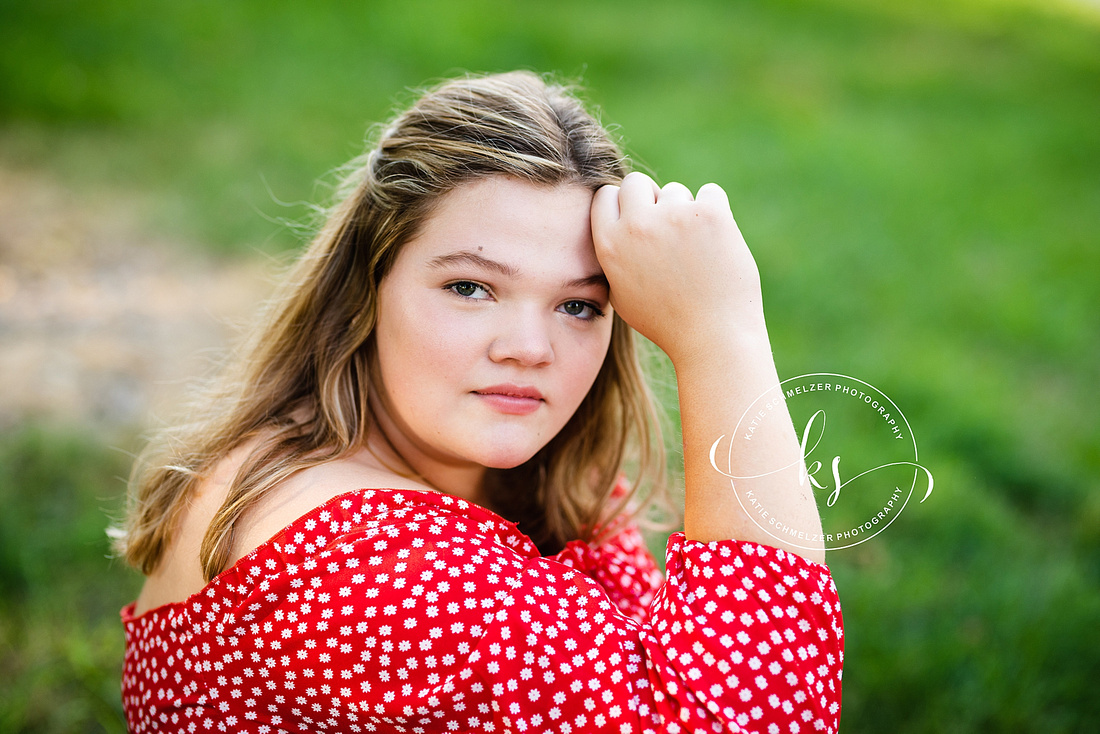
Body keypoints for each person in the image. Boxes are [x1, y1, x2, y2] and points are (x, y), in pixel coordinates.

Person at [115, 70, 842, 734]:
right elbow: (761, 715)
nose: (529, 347)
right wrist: (722, 337)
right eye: (470, 287)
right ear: (366, 289)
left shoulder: (500, 468)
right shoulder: (367, 556)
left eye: (579, 306)